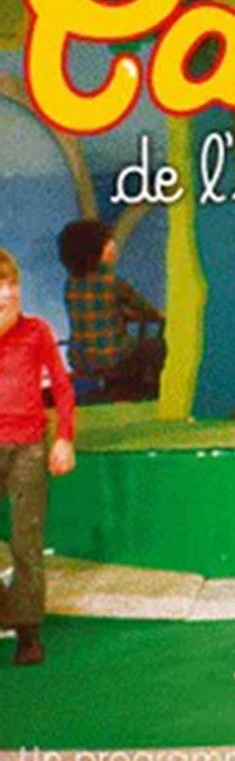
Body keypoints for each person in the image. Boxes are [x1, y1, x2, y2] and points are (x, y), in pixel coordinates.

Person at [0, 248, 77, 666]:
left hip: (28, 446)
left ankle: (28, 631)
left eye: (12, 284)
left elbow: (62, 388)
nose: (7, 294)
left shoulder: (37, 331)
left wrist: (64, 438)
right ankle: (6, 609)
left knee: (25, 540)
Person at [59, 219, 165, 401]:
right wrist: (157, 314)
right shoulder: (114, 284)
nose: (113, 246)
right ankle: (144, 392)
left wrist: (121, 315)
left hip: (81, 358)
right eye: (108, 242)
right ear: (97, 251)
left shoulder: (70, 285)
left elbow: (95, 312)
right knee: (155, 347)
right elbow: (148, 311)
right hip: (113, 357)